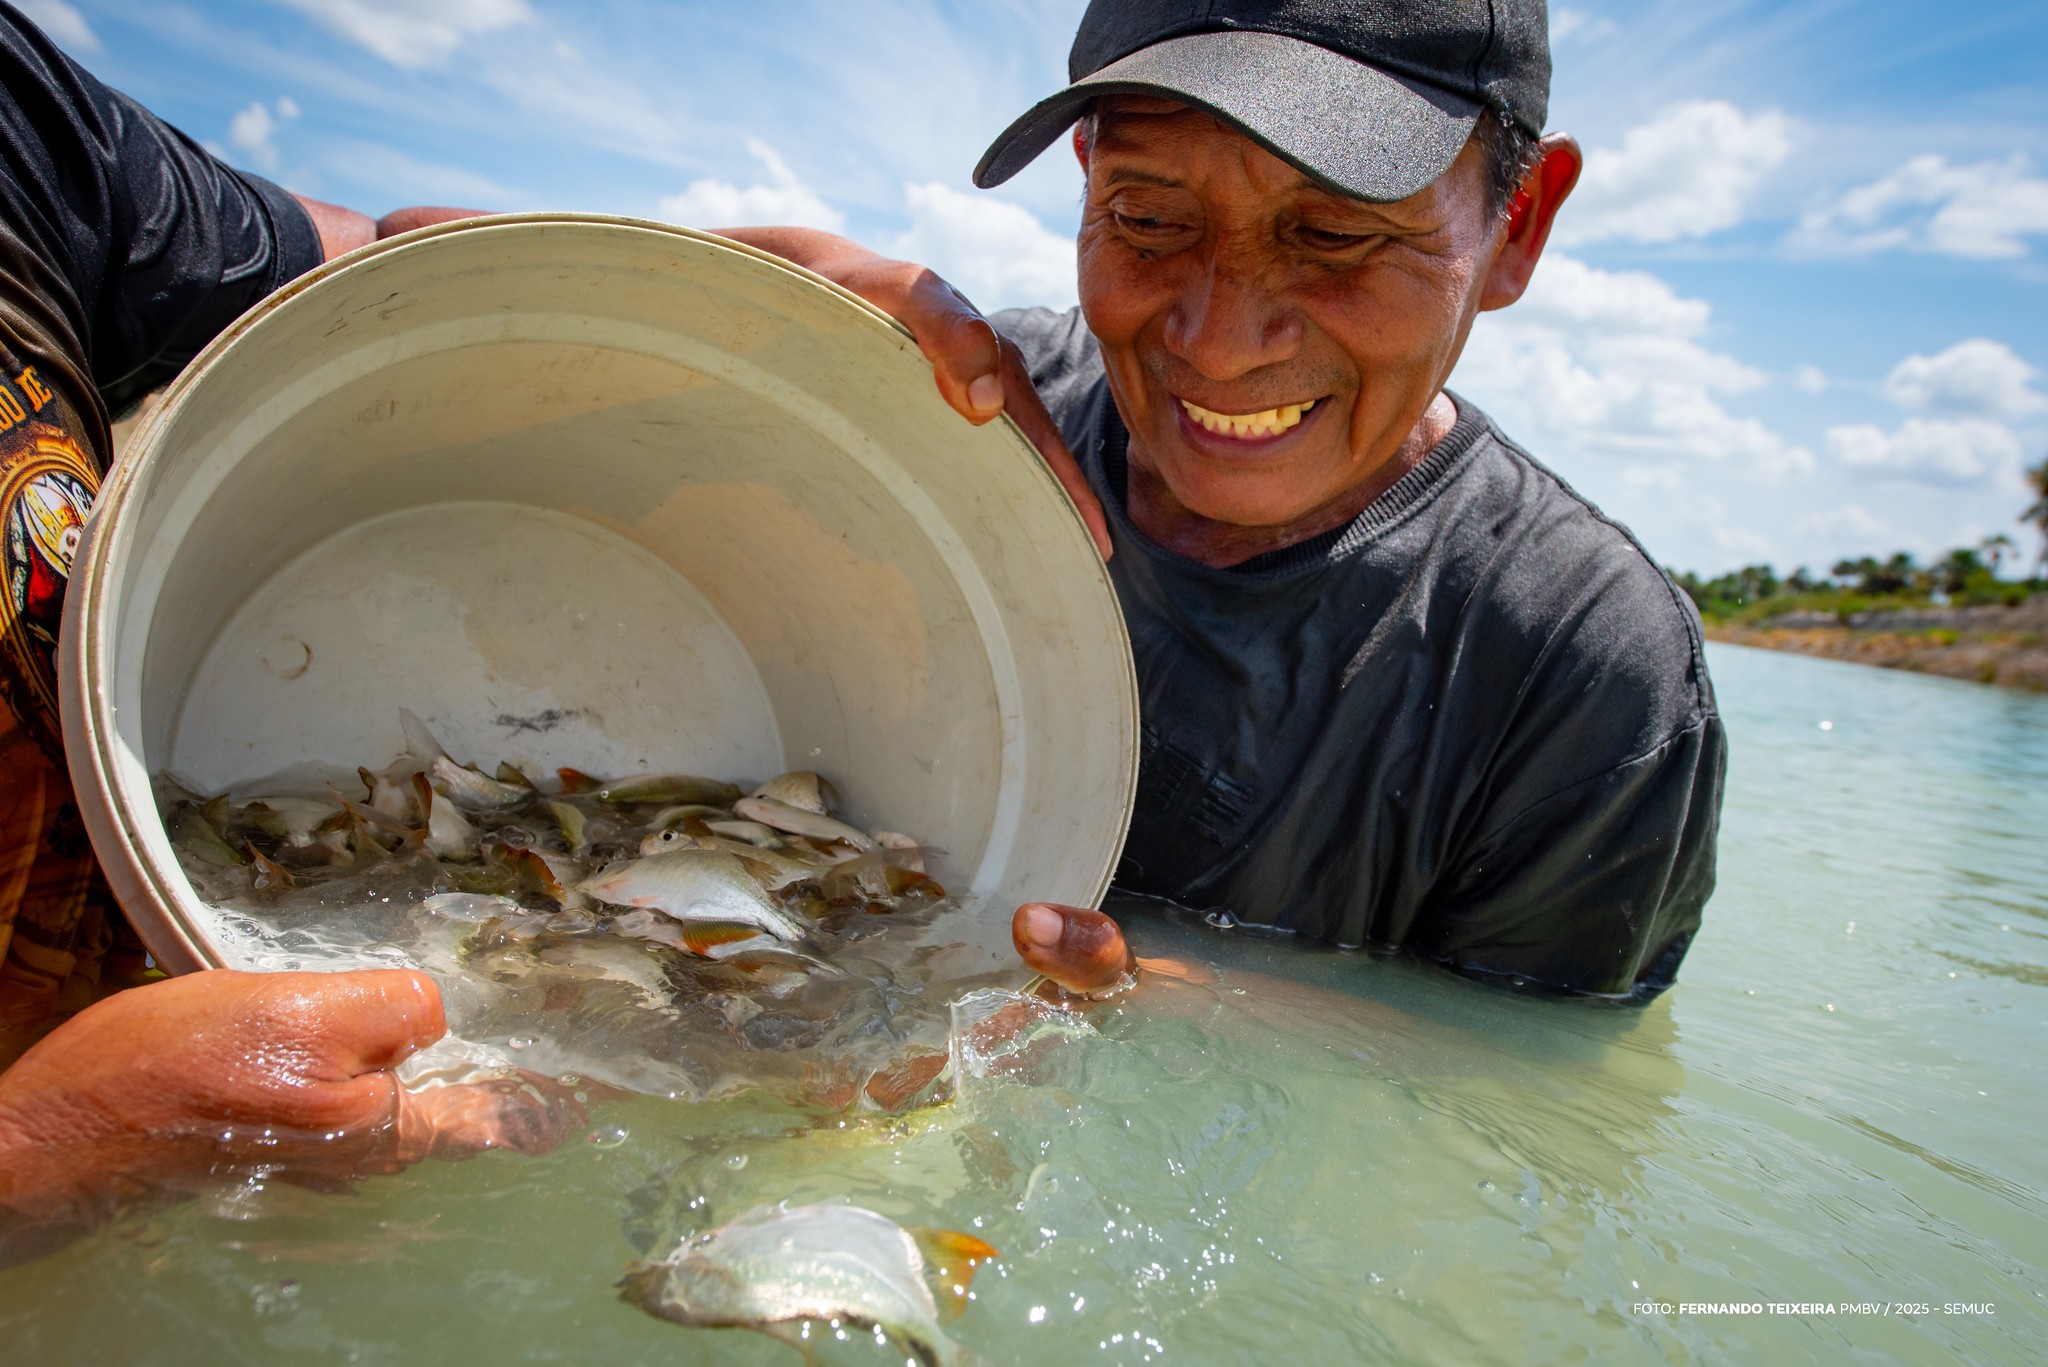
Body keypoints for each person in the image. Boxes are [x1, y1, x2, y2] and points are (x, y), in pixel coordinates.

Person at [734, 0, 1727, 1004]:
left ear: (1516, 221)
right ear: (1086, 171)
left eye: (1336, 231)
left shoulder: (1579, 668)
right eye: (1149, 221)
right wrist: (715, 302)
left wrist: (1163, 1000)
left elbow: (1534, 1077)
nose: (1216, 342)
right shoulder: (954, 417)